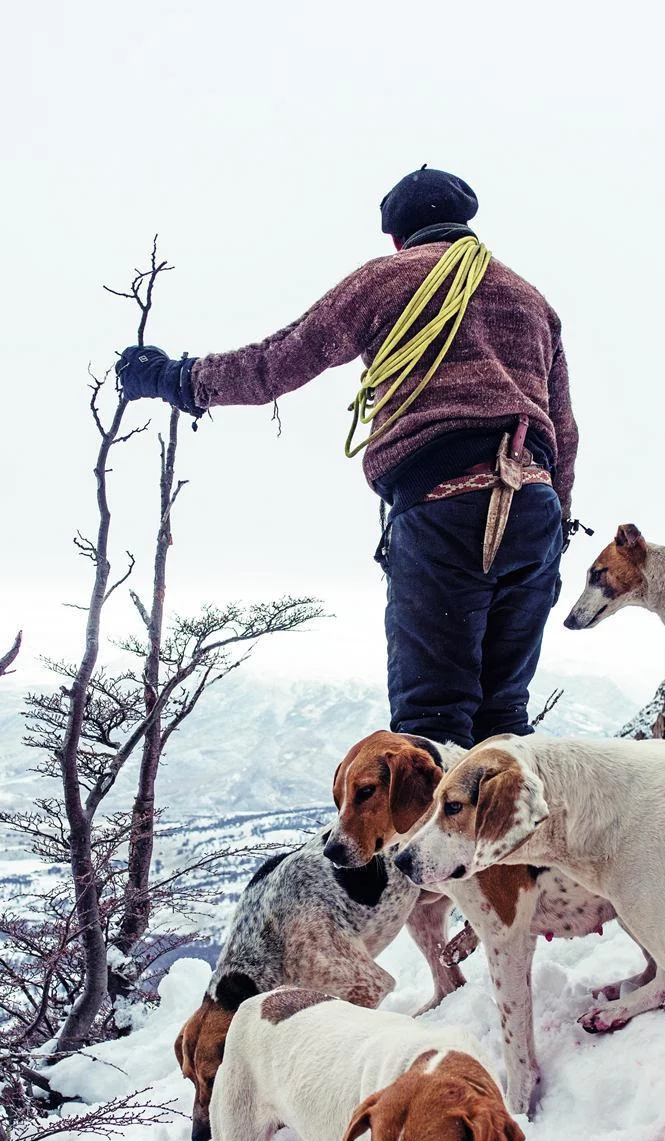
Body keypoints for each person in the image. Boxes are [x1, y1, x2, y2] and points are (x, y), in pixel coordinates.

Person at [115, 166, 580, 750]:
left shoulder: (386, 280)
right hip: (533, 515)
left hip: (444, 511)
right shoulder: (529, 299)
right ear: (465, 221)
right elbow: (564, 430)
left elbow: (274, 365)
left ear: (395, 236)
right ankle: (508, 840)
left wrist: (171, 379)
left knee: (431, 726)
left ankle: (415, 840)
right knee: (504, 723)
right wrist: (554, 532)